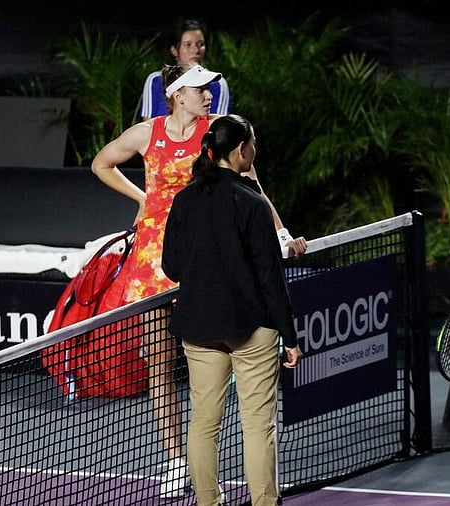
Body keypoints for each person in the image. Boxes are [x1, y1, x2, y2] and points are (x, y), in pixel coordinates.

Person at [90, 62, 306, 499]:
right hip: (157, 257)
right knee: (160, 365)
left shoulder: (218, 134)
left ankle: (212, 489)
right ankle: (174, 460)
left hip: (206, 249)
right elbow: (102, 163)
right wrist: (144, 198)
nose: (208, 95)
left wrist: (282, 234)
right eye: (199, 89)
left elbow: (253, 189)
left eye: (208, 90)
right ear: (177, 95)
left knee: (206, 378)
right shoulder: (146, 133)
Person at [161, 114, 302, 506]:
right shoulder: (253, 203)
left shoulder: (184, 199)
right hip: (250, 330)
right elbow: (271, 280)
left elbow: (171, 267)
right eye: (252, 145)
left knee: (204, 424)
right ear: (242, 151)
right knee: (258, 427)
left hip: (199, 326)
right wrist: (289, 337)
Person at [140, 18, 230, 121]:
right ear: (174, 50)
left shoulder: (218, 83)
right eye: (188, 45)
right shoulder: (155, 80)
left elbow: (219, 128)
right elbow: (148, 125)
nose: (196, 50)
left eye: (201, 44)